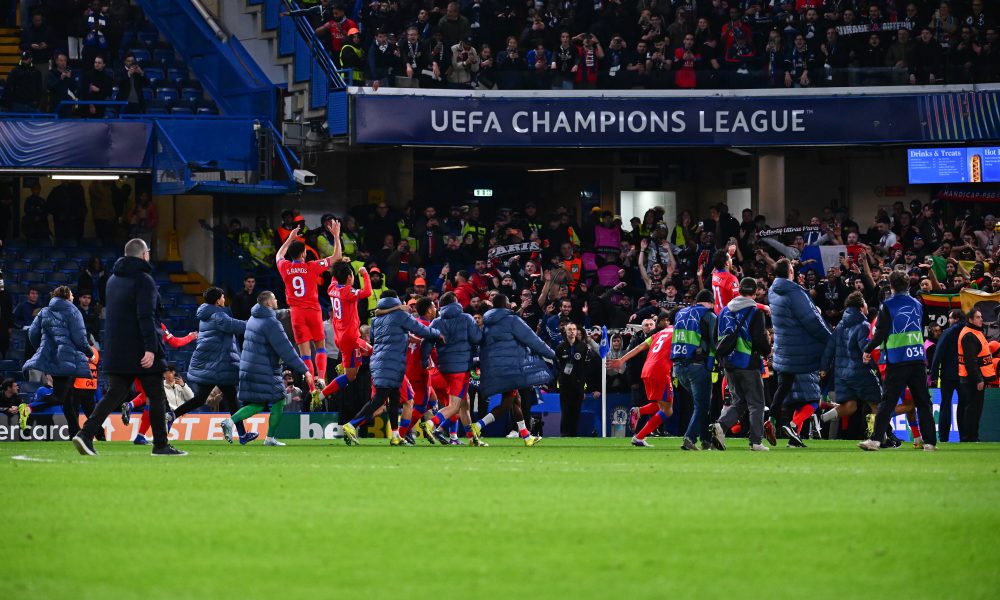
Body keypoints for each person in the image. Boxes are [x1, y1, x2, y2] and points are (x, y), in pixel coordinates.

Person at [73, 238, 185, 456]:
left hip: (117, 348)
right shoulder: (144, 280)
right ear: (144, 255)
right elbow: (146, 315)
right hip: (141, 350)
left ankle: (85, 434)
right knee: (156, 394)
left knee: (114, 393)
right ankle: (161, 445)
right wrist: (151, 348)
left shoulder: (113, 279)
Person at [340, 290, 443, 446]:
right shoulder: (400, 316)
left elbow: (375, 339)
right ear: (395, 299)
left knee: (394, 398)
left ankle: (396, 435)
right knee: (380, 399)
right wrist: (437, 333)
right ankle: (351, 425)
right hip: (392, 361)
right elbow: (421, 329)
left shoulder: (376, 320)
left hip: (380, 360)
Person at [166, 287, 258, 445]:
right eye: (222, 297)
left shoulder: (207, 314)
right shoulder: (218, 315)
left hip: (212, 363)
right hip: (219, 364)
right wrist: (257, 322)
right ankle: (242, 435)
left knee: (203, 398)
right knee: (231, 399)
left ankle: (172, 416)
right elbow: (237, 326)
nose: (224, 299)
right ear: (217, 300)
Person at [858, 271, 938, 452]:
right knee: (923, 402)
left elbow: (880, 333)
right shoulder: (918, 305)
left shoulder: (887, 305)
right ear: (908, 285)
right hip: (917, 359)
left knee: (887, 402)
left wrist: (867, 350)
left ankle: (875, 441)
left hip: (897, 359)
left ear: (891, 286)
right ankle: (930, 443)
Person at [221, 292, 312, 447]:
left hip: (249, 366)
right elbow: (286, 350)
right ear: (269, 303)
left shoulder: (253, 318)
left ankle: (231, 422)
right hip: (264, 369)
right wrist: (305, 370)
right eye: (275, 298)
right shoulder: (271, 323)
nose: (277, 300)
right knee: (279, 400)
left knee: (259, 403)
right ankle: (268, 438)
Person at [470, 293, 552, 446]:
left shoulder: (487, 322)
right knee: (507, 403)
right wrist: (552, 354)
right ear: (506, 304)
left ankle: (526, 436)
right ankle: (478, 426)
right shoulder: (511, 320)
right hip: (509, 368)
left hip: (494, 368)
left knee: (516, 401)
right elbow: (532, 340)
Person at [768, 258, 832, 447]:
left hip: (783, 351)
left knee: (787, 390)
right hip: (801, 351)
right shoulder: (795, 292)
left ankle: (774, 422)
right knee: (813, 397)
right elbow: (812, 321)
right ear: (790, 272)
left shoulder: (773, 291)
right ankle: (793, 426)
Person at [275, 221, 341, 396]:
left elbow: (279, 255)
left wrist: (289, 239)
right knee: (320, 348)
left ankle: (311, 388)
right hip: (313, 311)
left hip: (296, 313)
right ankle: (321, 379)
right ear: (304, 253)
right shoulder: (311, 267)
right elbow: (336, 257)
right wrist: (336, 235)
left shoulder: (285, 267)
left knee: (305, 353)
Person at [20, 286, 94, 439]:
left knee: (67, 398)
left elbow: (32, 333)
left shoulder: (45, 311)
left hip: (53, 359)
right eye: (72, 294)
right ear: (67, 295)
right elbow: (80, 337)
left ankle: (75, 432)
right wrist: (90, 353)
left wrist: (43, 349)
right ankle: (29, 408)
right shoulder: (73, 311)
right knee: (60, 397)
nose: (73, 296)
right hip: (67, 360)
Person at [710, 278, 772, 452]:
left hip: (729, 364)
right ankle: (756, 441)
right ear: (755, 292)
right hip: (748, 362)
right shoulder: (754, 312)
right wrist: (768, 351)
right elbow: (760, 340)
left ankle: (720, 426)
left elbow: (716, 338)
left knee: (739, 401)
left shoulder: (723, 311)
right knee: (757, 403)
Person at [419, 291, 485, 444]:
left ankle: (472, 438)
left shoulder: (436, 322)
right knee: (455, 406)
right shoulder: (466, 318)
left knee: (464, 403)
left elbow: (426, 343)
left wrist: (424, 361)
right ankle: (431, 424)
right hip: (461, 369)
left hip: (444, 368)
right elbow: (477, 338)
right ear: (456, 302)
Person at [817, 292, 882, 435]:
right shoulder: (863, 325)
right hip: (860, 372)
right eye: (865, 303)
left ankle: (821, 419)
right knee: (877, 404)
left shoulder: (840, 325)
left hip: (842, 375)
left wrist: (824, 368)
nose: (867, 306)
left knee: (850, 406)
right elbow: (866, 350)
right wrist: (876, 368)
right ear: (860, 307)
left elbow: (830, 347)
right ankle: (880, 437)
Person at [608, 311, 675, 447]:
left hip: (647, 370)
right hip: (661, 371)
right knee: (667, 410)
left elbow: (639, 347)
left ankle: (639, 411)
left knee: (662, 404)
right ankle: (639, 437)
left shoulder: (659, 333)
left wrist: (622, 360)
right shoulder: (679, 332)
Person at [319, 262, 372, 403]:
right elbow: (367, 292)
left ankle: (320, 396)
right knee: (375, 355)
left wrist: (343, 264)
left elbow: (335, 276)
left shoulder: (332, 288)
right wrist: (365, 273)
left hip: (340, 337)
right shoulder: (347, 292)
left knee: (352, 374)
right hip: (351, 338)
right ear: (349, 277)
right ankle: (381, 398)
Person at [671, 289, 717, 450]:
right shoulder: (709, 315)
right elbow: (715, 342)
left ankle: (706, 440)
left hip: (678, 366)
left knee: (701, 404)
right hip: (697, 365)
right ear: (711, 303)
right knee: (702, 404)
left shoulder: (680, 313)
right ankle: (689, 438)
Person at [929, 309, 965, 442]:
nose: (948, 321)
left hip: (947, 375)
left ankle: (944, 437)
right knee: (964, 405)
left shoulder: (947, 333)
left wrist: (933, 374)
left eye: (950, 318)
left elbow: (938, 354)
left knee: (945, 405)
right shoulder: (968, 331)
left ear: (955, 319)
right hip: (964, 374)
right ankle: (965, 435)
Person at [957, 308, 993, 443]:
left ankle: (971, 436)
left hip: (972, 377)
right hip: (971, 379)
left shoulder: (975, 332)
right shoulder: (970, 335)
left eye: (981, 317)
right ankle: (970, 438)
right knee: (972, 410)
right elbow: (970, 361)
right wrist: (978, 379)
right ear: (970, 320)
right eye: (978, 317)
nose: (981, 319)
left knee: (973, 410)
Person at [555, 321, 592, 438]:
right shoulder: (560, 348)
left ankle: (573, 433)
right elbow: (557, 366)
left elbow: (586, 366)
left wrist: (584, 384)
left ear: (576, 332)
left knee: (576, 409)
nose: (572, 331)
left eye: (574, 329)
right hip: (565, 383)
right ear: (565, 332)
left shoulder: (583, 347)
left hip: (578, 383)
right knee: (566, 409)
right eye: (569, 329)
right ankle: (564, 433)